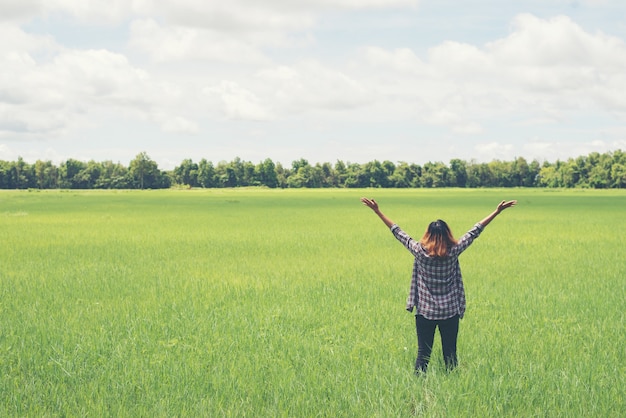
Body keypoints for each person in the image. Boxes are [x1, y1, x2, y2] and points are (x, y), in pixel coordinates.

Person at [360, 197, 517, 373]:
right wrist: (497, 212)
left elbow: (397, 231)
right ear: (448, 235)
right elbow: (475, 231)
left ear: (427, 235)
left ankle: (419, 386)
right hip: (450, 311)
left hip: (426, 312)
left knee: (423, 354)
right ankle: (453, 386)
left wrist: (377, 211)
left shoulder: (419, 251)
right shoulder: (454, 251)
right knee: (450, 355)